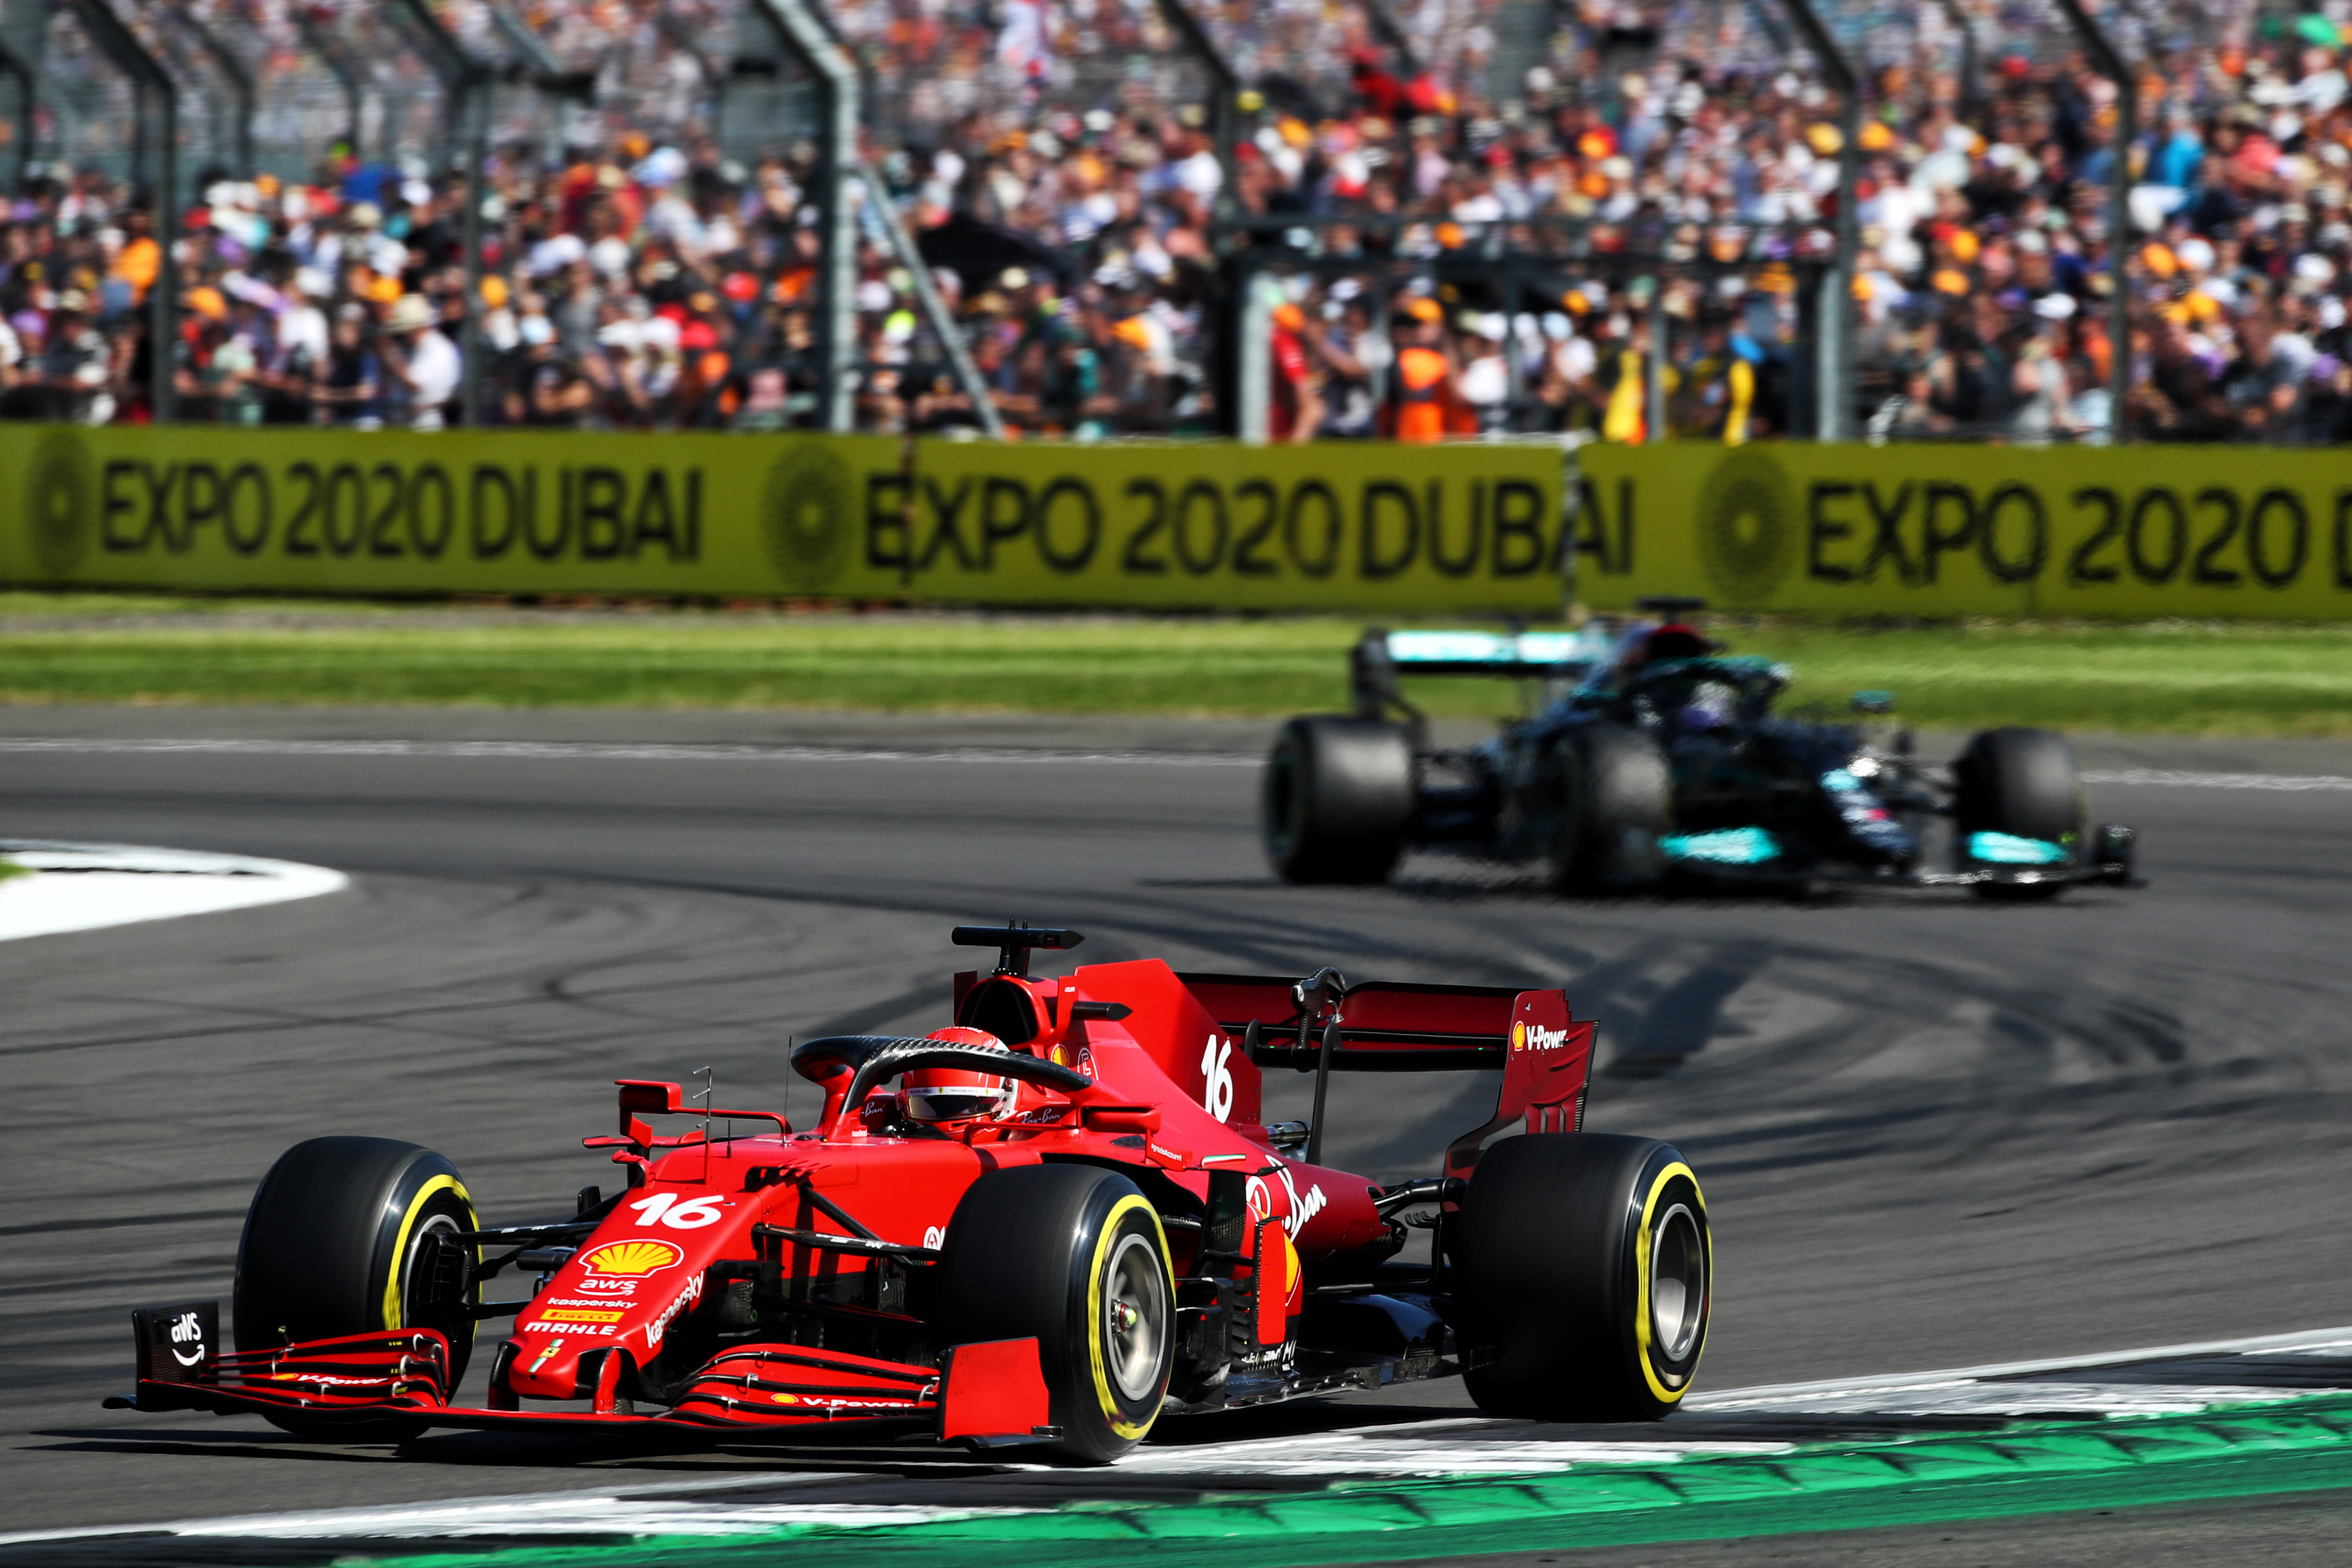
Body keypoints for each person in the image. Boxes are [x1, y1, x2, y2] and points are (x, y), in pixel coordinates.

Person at [379, 293, 460, 430]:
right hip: (419, 421)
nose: (404, 336)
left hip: (429, 423)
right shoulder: (426, 347)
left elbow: (413, 383)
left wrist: (389, 352)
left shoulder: (435, 348)